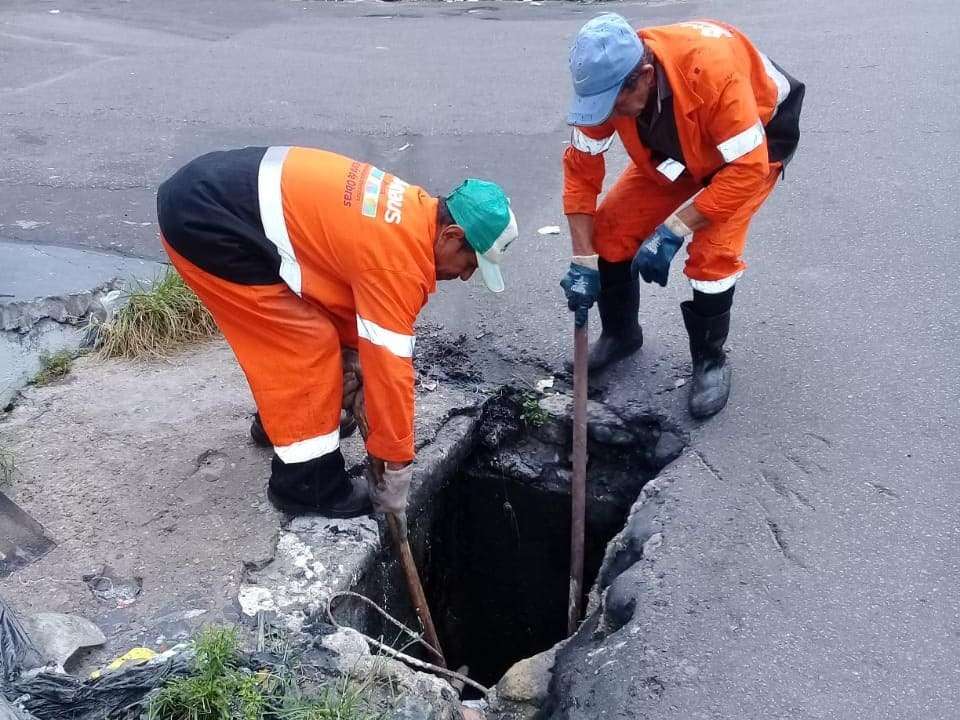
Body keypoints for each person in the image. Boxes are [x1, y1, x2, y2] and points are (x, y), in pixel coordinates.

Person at [157, 146, 518, 517]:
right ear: (452, 235)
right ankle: (306, 484)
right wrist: (397, 466)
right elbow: (391, 373)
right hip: (205, 219)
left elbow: (346, 293)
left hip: (220, 194)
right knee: (306, 343)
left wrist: (351, 359)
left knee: (319, 335)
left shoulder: (411, 216)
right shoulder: (398, 264)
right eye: (469, 262)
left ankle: (283, 423)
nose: (465, 275)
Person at [560, 15, 804, 418]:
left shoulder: (711, 74)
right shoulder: (608, 90)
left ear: (644, 76)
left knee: (712, 256)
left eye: (613, 104)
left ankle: (710, 361)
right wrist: (584, 260)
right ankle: (621, 334)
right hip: (678, 149)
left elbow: (746, 169)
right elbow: (580, 172)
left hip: (753, 145)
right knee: (610, 231)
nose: (605, 114)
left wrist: (674, 229)